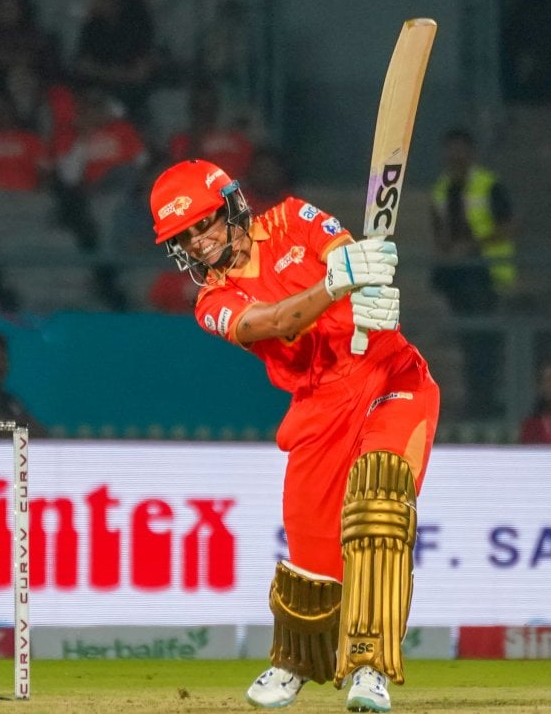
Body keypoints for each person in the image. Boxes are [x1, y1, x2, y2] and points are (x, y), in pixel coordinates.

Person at [147, 159, 440, 712]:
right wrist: (336, 286)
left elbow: (345, 255)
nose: (198, 242)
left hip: (391, 377)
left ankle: (370, 666)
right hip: (319, 405)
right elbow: (276, 321)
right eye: (183, 237)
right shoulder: (211, 302)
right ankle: (298, 662)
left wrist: (368, 286)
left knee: (379, 506)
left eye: (203, 223)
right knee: (310, 555)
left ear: (232, 207)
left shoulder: (290, 218)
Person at [429, 127, 514, 419]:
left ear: (471, 152)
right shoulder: (440, 190)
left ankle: (487, 402)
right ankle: (476, 402)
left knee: (485, 343)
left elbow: (509, 225)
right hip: (457, 279)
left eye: (460, 149)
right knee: (469, 342)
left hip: (486, 274)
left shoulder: (489, 184)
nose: (455, 155)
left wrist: (473, 246)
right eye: (450, 149)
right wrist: (449, 251)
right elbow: (439, 231)